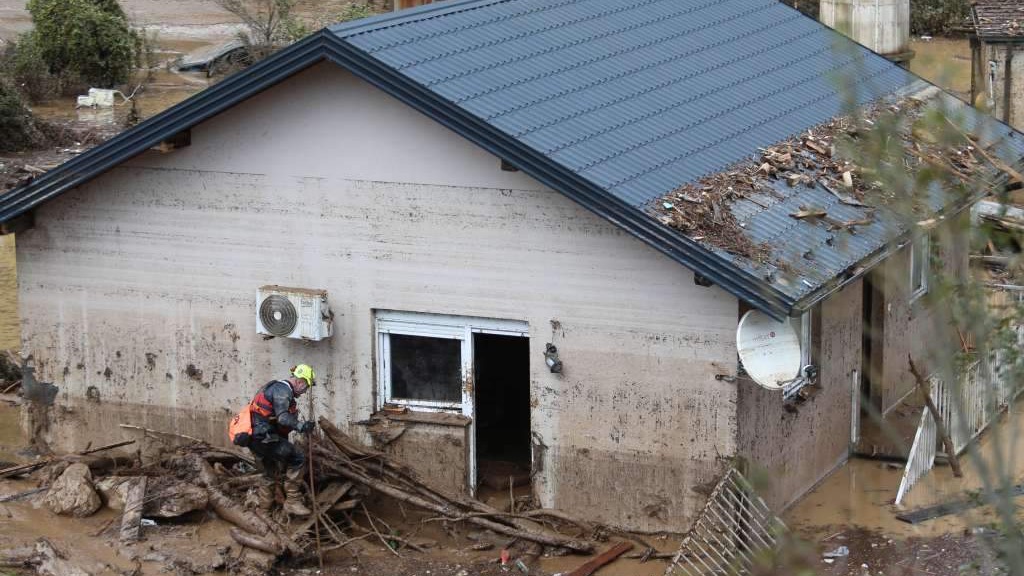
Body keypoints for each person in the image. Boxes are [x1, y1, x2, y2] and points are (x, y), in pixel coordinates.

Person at [247, 364, 317, 516]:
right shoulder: (283, 390)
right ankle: (292, 501)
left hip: (255, 438)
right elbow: (283, 418)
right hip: (265, 439)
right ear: (300, 382)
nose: (305, 392)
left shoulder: (274, 387)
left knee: (269, 473)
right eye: (306, 387)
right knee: (298, 458)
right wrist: (302, 426)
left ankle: (264, 512)